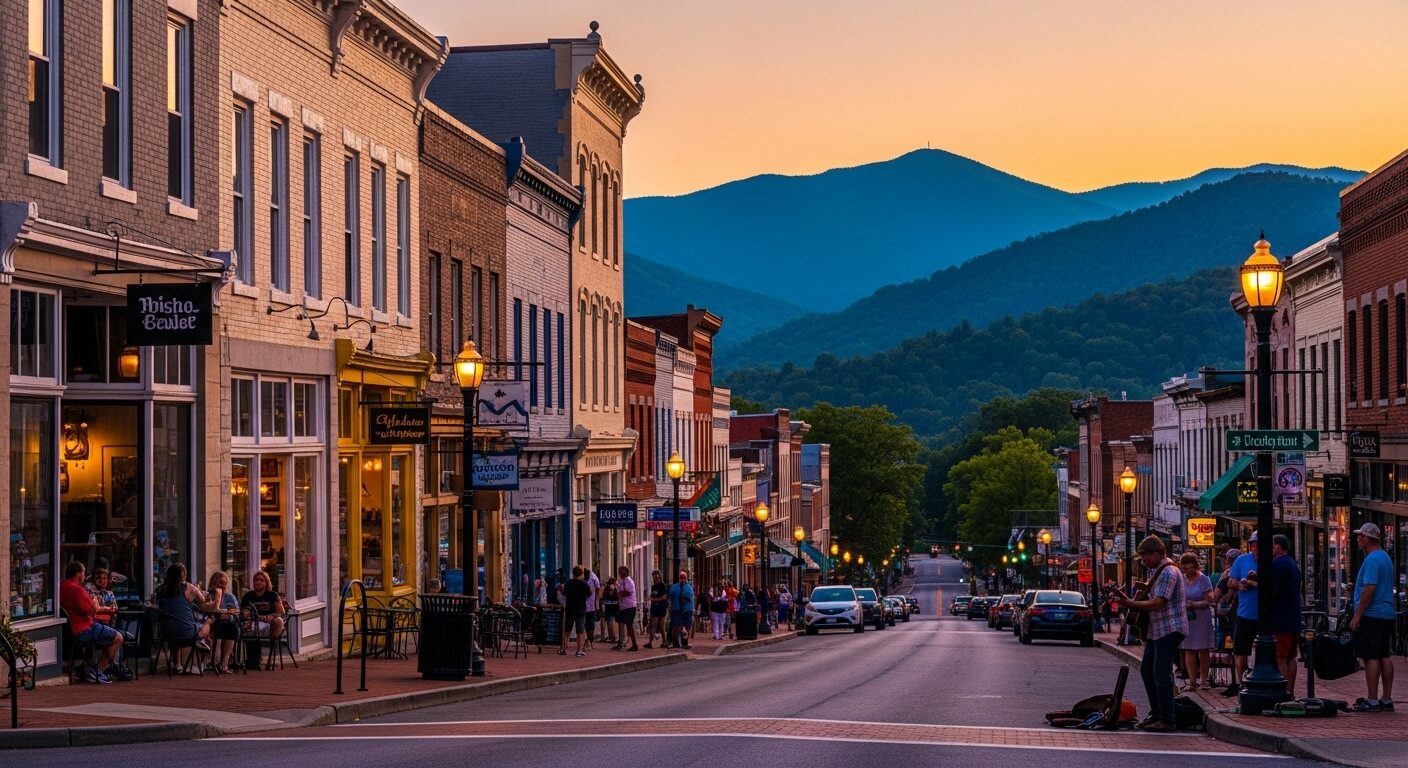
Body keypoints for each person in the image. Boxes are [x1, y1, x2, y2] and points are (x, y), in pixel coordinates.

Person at [1115, 536, 1186, 732]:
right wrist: (1127, 599)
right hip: (1158, 630)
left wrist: (1130, 604)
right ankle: (1157, 713)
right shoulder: (1156, 571)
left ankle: (1167, 719)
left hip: (1171, 628)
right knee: (1147, 670)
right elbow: (1149, 599)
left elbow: (1158, 602)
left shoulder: (1168, 572)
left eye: (1145, 556)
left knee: (1161, 673)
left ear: (1157, 553)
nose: (1143, 560)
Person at [1349, 523, 1396, 712]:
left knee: (1371, 656)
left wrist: (1357, 614)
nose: (1358, 539)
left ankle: (1373, 699)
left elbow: (1370, 588)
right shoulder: (1385, 557)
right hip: (1386, 613)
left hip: (1372, 614)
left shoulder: (1372, 560)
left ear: (1369, 539)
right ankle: (1387, 698)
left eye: (1361, 536)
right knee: (1385, 654)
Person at [59, 561, 128, 683]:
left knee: (106, 636)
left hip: (68, 631)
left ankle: (88, 667)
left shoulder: (61, 586)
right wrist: (95, 601)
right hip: (83, 629)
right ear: (79, 574)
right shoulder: (76, 589)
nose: (84, 577)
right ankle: (98, 670)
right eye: (84, 573)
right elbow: (91, 611)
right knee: (118, 638)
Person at [155, 562, 217, 673]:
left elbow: (154, 604)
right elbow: (203, 600)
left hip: (166, 631)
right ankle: (199, 639)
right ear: (183, 575)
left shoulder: (160, 589)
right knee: (209, 620)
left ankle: (178, 665)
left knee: (175, 626)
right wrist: (202, 592)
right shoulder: (189, 587)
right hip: (187, 632)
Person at [1226, 532, 1261, 696]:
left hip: (1266, 614)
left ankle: (1261, 679)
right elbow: (1230, 581)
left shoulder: (1272, 561)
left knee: (1267, 650)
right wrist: (1239, 584)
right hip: (1245, 613)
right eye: (1254, 544)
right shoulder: (1242, 560)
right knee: (1240, 651)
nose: (1256, 548)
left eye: (1259, 544)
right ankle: (1242, 683)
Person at [1269, 534, 1303, 697]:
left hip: (1280, 618)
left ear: (1278, 547)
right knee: (1291, 657)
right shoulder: (1292, 564)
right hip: (1294, 617)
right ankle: (1290, 691)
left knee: (1280, 656)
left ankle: (1281, 691)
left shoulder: (1277, 564)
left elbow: (1271, 590)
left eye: (1272, 545)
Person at [1178, 552, 1214, 692]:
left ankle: (1204, 680)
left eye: (1187, 566)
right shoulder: (1181, 579)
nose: (1185, 569)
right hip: (1188, 618)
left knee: (1203, 649)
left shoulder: (1203, 579)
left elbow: (1209, 600)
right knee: (1189, 649)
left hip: (1201, 617)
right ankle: (1192, 681)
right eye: (1183, 566)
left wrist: (1195, 604)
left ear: (1194, 565)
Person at [240, 570, 285, 670]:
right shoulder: (248, 596)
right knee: (248, 627)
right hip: (253, 622)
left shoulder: (273, 595)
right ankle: (253, 660)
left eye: (261, 580)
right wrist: (248, 614)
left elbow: (281, 613)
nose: (258, 582)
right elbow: (243, 612)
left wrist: (272, 616)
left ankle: (270, 658)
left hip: (270, 624)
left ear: (266, 582)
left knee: (278, 621)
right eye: (256, 580)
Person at [206, 571, 242, 673]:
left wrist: (229, 614)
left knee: (231, 626)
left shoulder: (230, 597)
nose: (223, 585)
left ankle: (224, 664)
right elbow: (203, 610)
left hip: (226, 623)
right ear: (213, 582)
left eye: (225, 583)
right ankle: (211, 661)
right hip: (211, 623)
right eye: (220, 582)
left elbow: (236, 611)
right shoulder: (207, 595)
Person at [560, 565, 592, 657]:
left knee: (567, 630)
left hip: (570, 608)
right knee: (580, 631)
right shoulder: (584, 584)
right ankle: (579, 650)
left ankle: (563, 648)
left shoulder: (569, 583)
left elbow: (565, 593)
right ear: (581, 574)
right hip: (580, 609)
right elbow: (589, 594)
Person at [668, 570, 695, 649]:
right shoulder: (674, 587)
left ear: (686, 579)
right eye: (681, 578)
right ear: (679, 579)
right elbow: (670, 596)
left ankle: (684, 643)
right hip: (676, 609)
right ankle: (676, 643)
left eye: (684, 578)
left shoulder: (689, 587)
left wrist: (693, 609)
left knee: (687, 626)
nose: (683, 580)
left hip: (687, 610)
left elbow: (691, 599)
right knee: (677, 626)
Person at [615, 565, 639, 651]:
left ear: (625, 572)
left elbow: (627, 592)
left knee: (629, 625)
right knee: (620, 622)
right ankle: (620, 643)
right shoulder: (620, 580)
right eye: (619, 571)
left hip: (629, 606)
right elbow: (618, 590)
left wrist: (620, 594)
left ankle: (635, 644)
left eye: (621, 571)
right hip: (623, 606)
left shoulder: (628, 580)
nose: (619, 573)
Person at [645, 569, 669, 648]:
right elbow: (653, 596)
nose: (655, 577)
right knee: (653, 625)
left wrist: (654, 599)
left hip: (661, 607)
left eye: (657, 575)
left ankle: (664, 641)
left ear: (660, 576)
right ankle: (650, 643)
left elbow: (664, 597)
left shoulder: (662, 585)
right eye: (654, 576)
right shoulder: (653, 586)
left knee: (661, 625)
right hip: (654, 607)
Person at [583, 568, 601, 649]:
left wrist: (596, 602)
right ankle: (586, 640)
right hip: (583, 605)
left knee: (590, 622)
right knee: (584, 623)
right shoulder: (581, 578)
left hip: (591, 605)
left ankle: (590, 639)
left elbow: (598, 589)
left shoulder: (594, 578)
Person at [601, 576, 620, 645]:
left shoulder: (607, 588)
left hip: (608, 606)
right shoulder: (616, 588)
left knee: (610, 621)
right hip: (614, 606)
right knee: (613, 621)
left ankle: (611, 636)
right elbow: (618, 597)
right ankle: (613, 636)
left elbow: (603, 597)